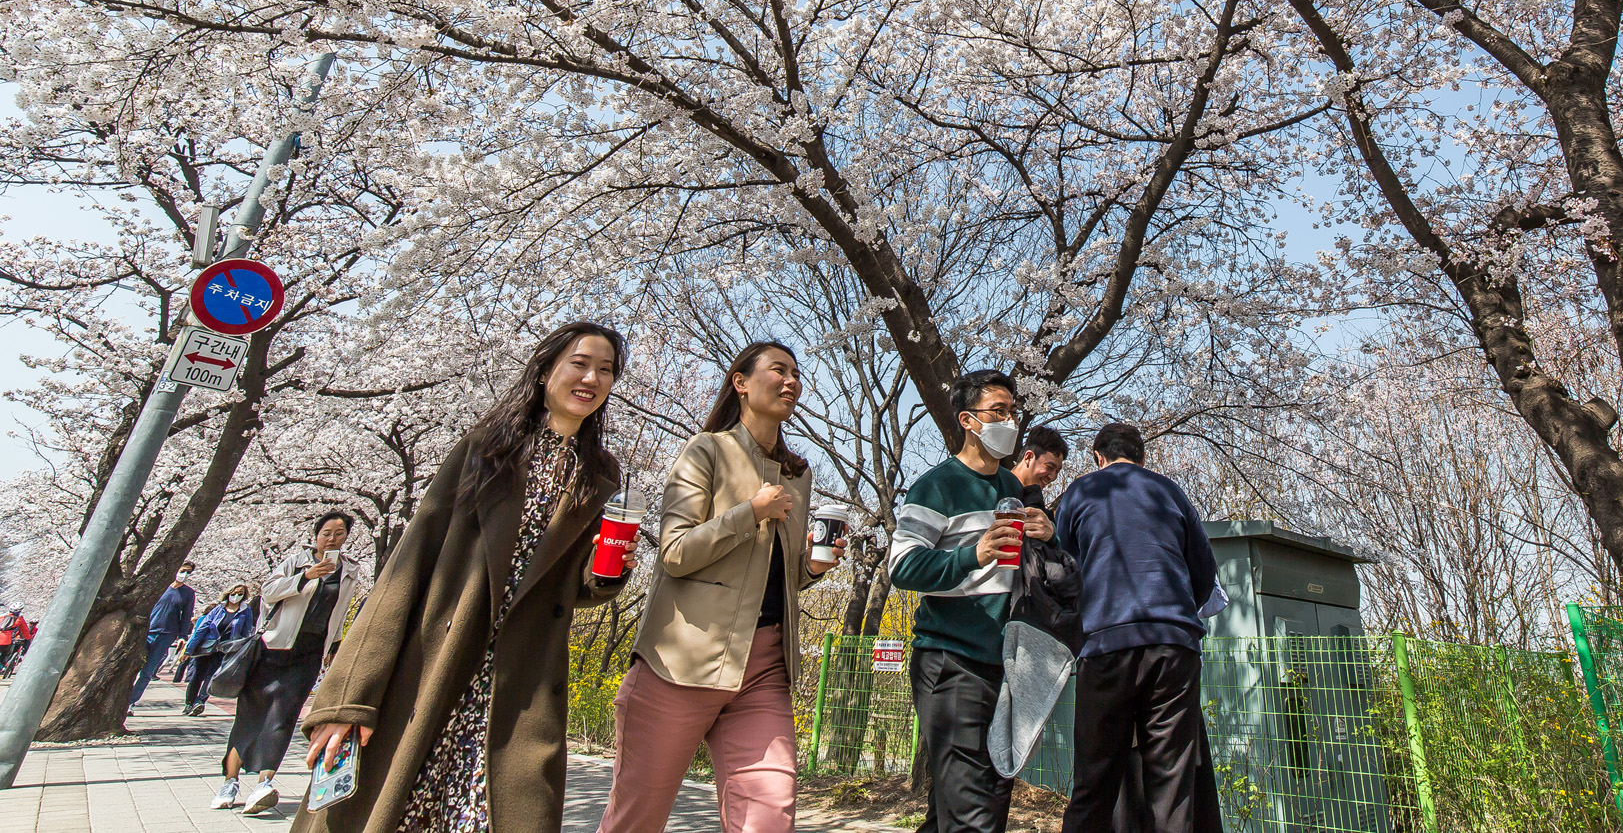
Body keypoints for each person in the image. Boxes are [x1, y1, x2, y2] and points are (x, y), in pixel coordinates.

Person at [294, 320, 636, 833]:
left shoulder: (598, 477)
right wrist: (351, 695)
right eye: (580, 363)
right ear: (545, 371)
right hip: (437, 663)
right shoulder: (487, 449)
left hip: (519, 683)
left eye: (605, 370)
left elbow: (566, 588)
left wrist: (606, 575)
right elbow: (410, 562)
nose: (592, 377)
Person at [596, 340, 847, 833]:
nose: (791, 381)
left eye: (797, 373)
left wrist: (813, 568)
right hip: (682, 662)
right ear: (741, 383)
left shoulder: (798, 475)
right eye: (779, 370)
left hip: (763, 671)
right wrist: (749, 512)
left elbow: (777, 577)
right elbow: (675, 553)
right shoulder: (706, 450)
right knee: (636, 820)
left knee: (770, 816)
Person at [889, 369, 1054, 833]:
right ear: (968, 420)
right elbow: (901, 567)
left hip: (1004, 665)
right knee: (972, 813)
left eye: (1013, 412)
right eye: (997, 412)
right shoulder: (937, 485)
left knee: (967, 807)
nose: (1009, 421)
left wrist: (1048, 536)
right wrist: (972, 554)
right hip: (950, 661)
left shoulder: (1012, 489)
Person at [1054, 422, 1222, 833]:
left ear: (1098, 457)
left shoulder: (1080, 492)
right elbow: (1203, 573)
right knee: (1172, 781)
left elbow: (1064, 572)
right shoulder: (1171, 491)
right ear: (1143, 457)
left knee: (1094, 776)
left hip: (1106, 644)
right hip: (1174, 645)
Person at [215, 515, 364, 812]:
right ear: (316, 536)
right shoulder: (295, 562)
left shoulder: (349, 571)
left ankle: (264, 784)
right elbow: (268, 593)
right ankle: (230, 782)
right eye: (326, 533)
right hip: (273, 648)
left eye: (339, 533)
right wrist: (305, 576)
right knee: (249, 716)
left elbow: (341, 610)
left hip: (309, 654)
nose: (332, 539)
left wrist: (334, 647)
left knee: (283, 717)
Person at [130, 560, 198, 711]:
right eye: (182, 570)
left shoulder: (188, 593)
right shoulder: (160, 587)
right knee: (131, 666)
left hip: (166, 634)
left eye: (188, 572)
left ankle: (130, 701)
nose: (184, 574)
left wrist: (182, 636)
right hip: (146, 631)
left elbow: (186, 615)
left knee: (148, 671)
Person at [183, 582, 258, 715]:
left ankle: (200, 702)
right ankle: (189, 703)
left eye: (240, 594)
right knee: (198, 675)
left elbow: (246, 632)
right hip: (207, 645)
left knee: (212, 676)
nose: (236, 596)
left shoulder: (245, 611)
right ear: (228, 593)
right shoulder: (219, 609)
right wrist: (189, 649)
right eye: (234, 593)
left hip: (225, 648)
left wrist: (239, 648)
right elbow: (202, 628)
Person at [1010, 425, 1070, 512]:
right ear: (1029, 457)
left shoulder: (1036, 504)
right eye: (1049, 467)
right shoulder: (997, 490)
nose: (1052, 477)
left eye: (1057, 471)